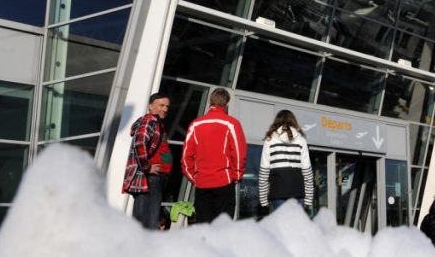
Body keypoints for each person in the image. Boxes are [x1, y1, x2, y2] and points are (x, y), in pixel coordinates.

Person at [182, 88, 247, 223]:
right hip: (224, 181)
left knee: (203, 225)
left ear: (210, 102)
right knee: (222, 227)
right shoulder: (231, 123)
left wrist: (194, 177)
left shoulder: (195, 124)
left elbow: (186, 156)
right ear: (227, 103)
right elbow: (239, 153)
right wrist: (237, 176)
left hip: (202, 183)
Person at [122, 92, 172, 229]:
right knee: (146, 223)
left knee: (147, 221)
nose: (165, 109)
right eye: (161, 105)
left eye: (167, 106)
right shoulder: (149, 121)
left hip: (155, 179)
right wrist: (148, 167)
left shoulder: (157, 123)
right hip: (149, 179)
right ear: (150, 106)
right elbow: (140, 142)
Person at [258, 109, 314, 212]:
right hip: (297, 192)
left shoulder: (270, 139)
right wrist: (308, 200)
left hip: (277, 193)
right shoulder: (301, 140)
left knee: (280, 223)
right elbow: (307, 171)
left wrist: (263, 200)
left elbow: (264, 171)